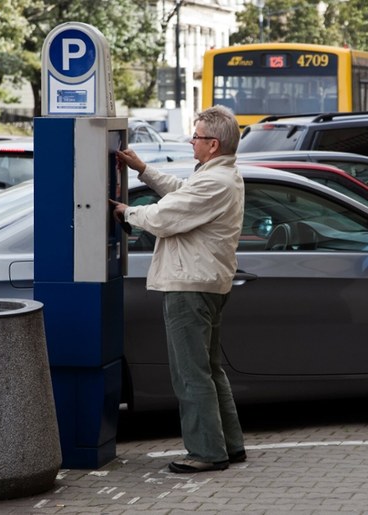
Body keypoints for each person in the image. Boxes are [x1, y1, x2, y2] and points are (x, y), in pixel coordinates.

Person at [112, 105, 246, 473]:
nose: (191, 141)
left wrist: (127, 213)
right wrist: (143, 169)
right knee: (209, 369)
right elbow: (181, 192)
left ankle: (205, 452)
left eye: (197, 136)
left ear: (213, 144)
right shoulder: (221, 176)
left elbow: (163, 217)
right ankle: (229, 445)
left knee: (191, 372)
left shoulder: (214, 182)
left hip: (190, 285)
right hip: (208, 282)